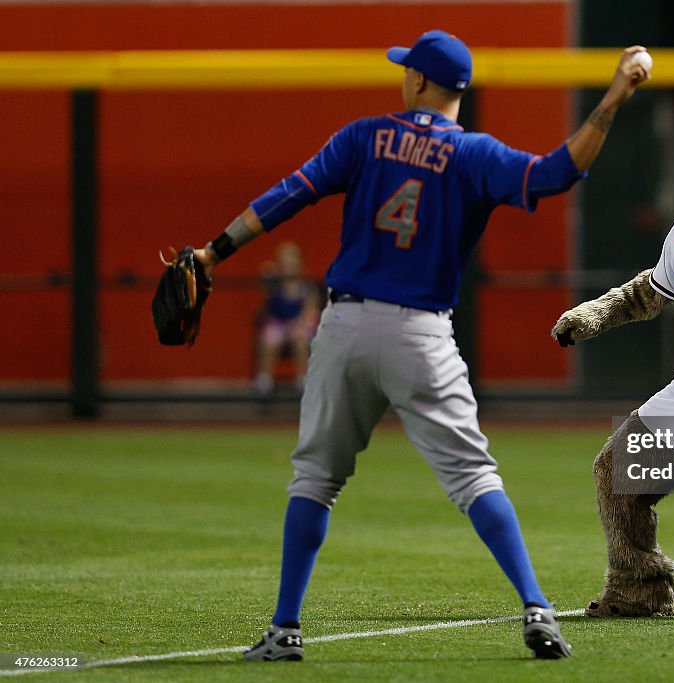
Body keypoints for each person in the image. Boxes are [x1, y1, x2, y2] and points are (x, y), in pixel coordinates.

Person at [192, 30, 650, 661]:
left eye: (407, 69)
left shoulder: (364, 136)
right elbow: (556, 174)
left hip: (346, 327)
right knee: (473, 478)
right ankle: (536, 607)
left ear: (416, 82)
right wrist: (615, 96)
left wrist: (213, 251)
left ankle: (284, 630)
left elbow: (289, 195)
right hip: (421, 334)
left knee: (315, 480)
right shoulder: (472, 154)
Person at [254, 242, 320, 396]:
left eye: (293, 261)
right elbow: (268, 306)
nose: (289, 265)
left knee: (301, 340)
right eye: (285, 261)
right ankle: (264, 380)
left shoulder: (308, 288)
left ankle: (302, 379)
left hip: (299, 327)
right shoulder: (274, 287)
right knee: (270, 340)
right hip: (278, 325)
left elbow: (311, 312)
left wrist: (301, 324)